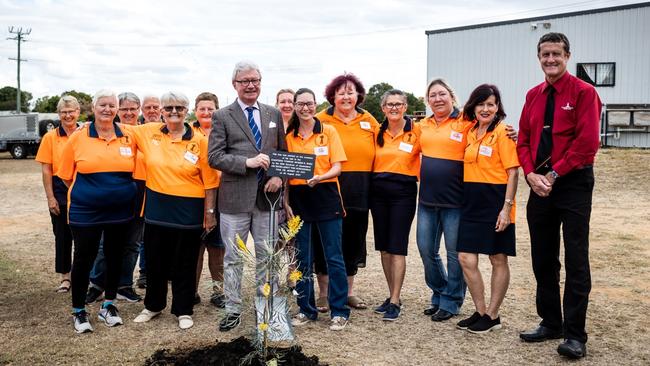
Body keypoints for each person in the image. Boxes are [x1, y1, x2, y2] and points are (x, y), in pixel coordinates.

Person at [517, 32, 601, 359]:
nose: (550, 60)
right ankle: (551, 321)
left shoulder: (584, 93)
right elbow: (523, 139)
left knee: (576, 258)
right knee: (543, 257)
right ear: (538, 58)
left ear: (567, 56)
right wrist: (531, 174)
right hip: (539, 183)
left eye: (556, 54)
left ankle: (575, 334)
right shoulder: (533, 95)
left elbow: (586, 144)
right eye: (544, 55)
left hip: (573, 182)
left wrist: (553, 174)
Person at [125, 91, 219, 330]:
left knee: (185, 263)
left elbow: (210, 181)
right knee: (155, 261)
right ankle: (153, 306)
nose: (174, 112)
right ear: (161, 111)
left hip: (189, 211)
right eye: (169, 108)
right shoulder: (148, 132)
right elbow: (119, 128)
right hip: (157, 208)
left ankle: (183, 309)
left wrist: (209, 213)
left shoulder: (200, 140)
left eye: (179, 108)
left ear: (186, 110)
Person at [208, 61, 286, 332]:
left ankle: (267, 307)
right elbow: (214, 157)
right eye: (245, 81)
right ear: (235, 85)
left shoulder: (273, 113)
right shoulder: (222, 116)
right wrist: (247, 163)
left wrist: (278, 176)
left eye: (255, 80)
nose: (251, 85)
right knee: (233, 258)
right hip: (234, 200)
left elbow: (282, 155)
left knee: (268, 256)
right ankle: (232, 309)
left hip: (267, 200)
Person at [58, 89, 138, 333]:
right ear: (93, 108)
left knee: (115, 256)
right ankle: (79, 311)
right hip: (85, 211)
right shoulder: (79, 136)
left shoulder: (128, 135)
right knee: (84, 258)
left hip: (121, 211)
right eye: (102, 104)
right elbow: (64, 176)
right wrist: (91, 194)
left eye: (111, 105)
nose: (107, 109)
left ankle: (109, 304)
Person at [283, 88, 350, 331]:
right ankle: (305, 309)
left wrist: (320, 177)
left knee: (334, 257)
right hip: (299, 200)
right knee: (302, 258)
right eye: (300, 104)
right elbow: (287, 174)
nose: (305, 108)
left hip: (326, 195)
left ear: (315, 105)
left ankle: (339, 311)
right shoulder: (289, 135)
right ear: (294, 107)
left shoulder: (328, 131)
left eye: (309, 104)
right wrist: (286, 201)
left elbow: (338, 167)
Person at [456, 84, 519, 334]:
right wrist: (468, 109)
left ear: (498, 108)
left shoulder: (503, 132)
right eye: (480, 103)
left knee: (497, 258)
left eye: (491, 104)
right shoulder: (470, 130)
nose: (485, 109)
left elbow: (513, 172)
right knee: (465, 257)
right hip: (471, 201)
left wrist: (506, 208)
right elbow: (457, 114)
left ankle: (493, 315)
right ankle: (481, 311)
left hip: (496, 201)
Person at [315, 73, 379, 311]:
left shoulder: (368, 119)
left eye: (350, 92)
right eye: (340, 92)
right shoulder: (321, 119)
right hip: (329, 186)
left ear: (358, 95)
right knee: (325, 242)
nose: (345, 96)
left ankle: (349, 291)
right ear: (332, 96)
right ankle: (324, 293)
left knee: (353, 241)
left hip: (360, 188)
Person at [416, 78, 470, 322]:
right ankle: (439, 291)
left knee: (454, 253)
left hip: (456, 200)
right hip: (427, 198)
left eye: (442, 94)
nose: (437, 99)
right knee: (426, 249)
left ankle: (451, 300)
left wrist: (508, 131)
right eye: (433, 95)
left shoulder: (467, 121)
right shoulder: (422, 125)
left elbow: (489, 131)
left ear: (452, 96)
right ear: (428, 101)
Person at [85, 92, 143, 304]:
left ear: (139, 110)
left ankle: (124, 285)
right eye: (125, 109)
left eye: (132, 109)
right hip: (114, 193)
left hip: (140, 192)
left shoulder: (144, 132)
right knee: (104, 243)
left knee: (132, 243)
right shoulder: (112, 131)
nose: (128, 113)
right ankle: (97, 284)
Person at [370, 89, 421, 321]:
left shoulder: (417, 131)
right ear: (383, 108)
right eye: (390, 104)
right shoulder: (375, 131)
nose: (394, 108)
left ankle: (395, 300)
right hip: (378, 192)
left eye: (399, 104)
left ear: (405, 107)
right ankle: (392, 295)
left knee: (397, 246)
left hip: (404, 193)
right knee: (384, 247)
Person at [35, 95, 79, 293]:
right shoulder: (50, 137)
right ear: (58, 114)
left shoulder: (85, 133)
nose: (68, 115)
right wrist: (50, 198)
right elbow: (46, 169)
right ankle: (65, 278)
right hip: (60, 193)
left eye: (71, 111)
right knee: (62, 237)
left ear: (78, 112)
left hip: (84, 192)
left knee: (85, 237)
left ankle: (82, 275)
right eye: (64, 112)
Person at [191, 92, 225, 308]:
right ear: (195, 111)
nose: (206, 113)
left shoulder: (223, 131)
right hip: (193, 196)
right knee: (195, 249)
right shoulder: (188, 132)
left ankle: (218, 291)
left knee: (217, 248)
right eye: (202, 109)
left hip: (221, 196)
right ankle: (191, 291)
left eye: (210, 109)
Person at [135, 94, 162, 289]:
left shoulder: (168, 129)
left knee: (165, 233)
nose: (152, 111)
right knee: (145, 234)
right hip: (140, 186)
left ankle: (166, 270)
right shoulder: (136, 131)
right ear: (142, 111)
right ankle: (144, 272)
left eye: (155, 107)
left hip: (163, 186)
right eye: (148, 107)